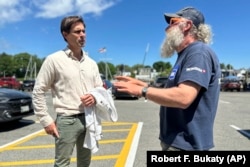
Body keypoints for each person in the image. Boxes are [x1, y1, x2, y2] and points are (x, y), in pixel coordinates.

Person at [114, 6, 221, 151]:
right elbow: (173, 91)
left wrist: (142, 90)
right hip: (176, 141)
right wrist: (140, 84)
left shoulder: (198, 52)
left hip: (187, 145)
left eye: (173, 22)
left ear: (187, 26)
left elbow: (184, 97)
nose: (167, 28)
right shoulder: (185, 55)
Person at [32, 16, 103, 167]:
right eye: (77, 31)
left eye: (84, 31)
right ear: (65, 34)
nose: (82, 34)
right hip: (66, 120)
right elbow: (39, 91)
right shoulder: (54, 60)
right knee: (62, 164)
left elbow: (100, 89)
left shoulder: (92, 64)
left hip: (89, 118)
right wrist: (46, 120)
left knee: (85, 162)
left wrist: (95, 98)